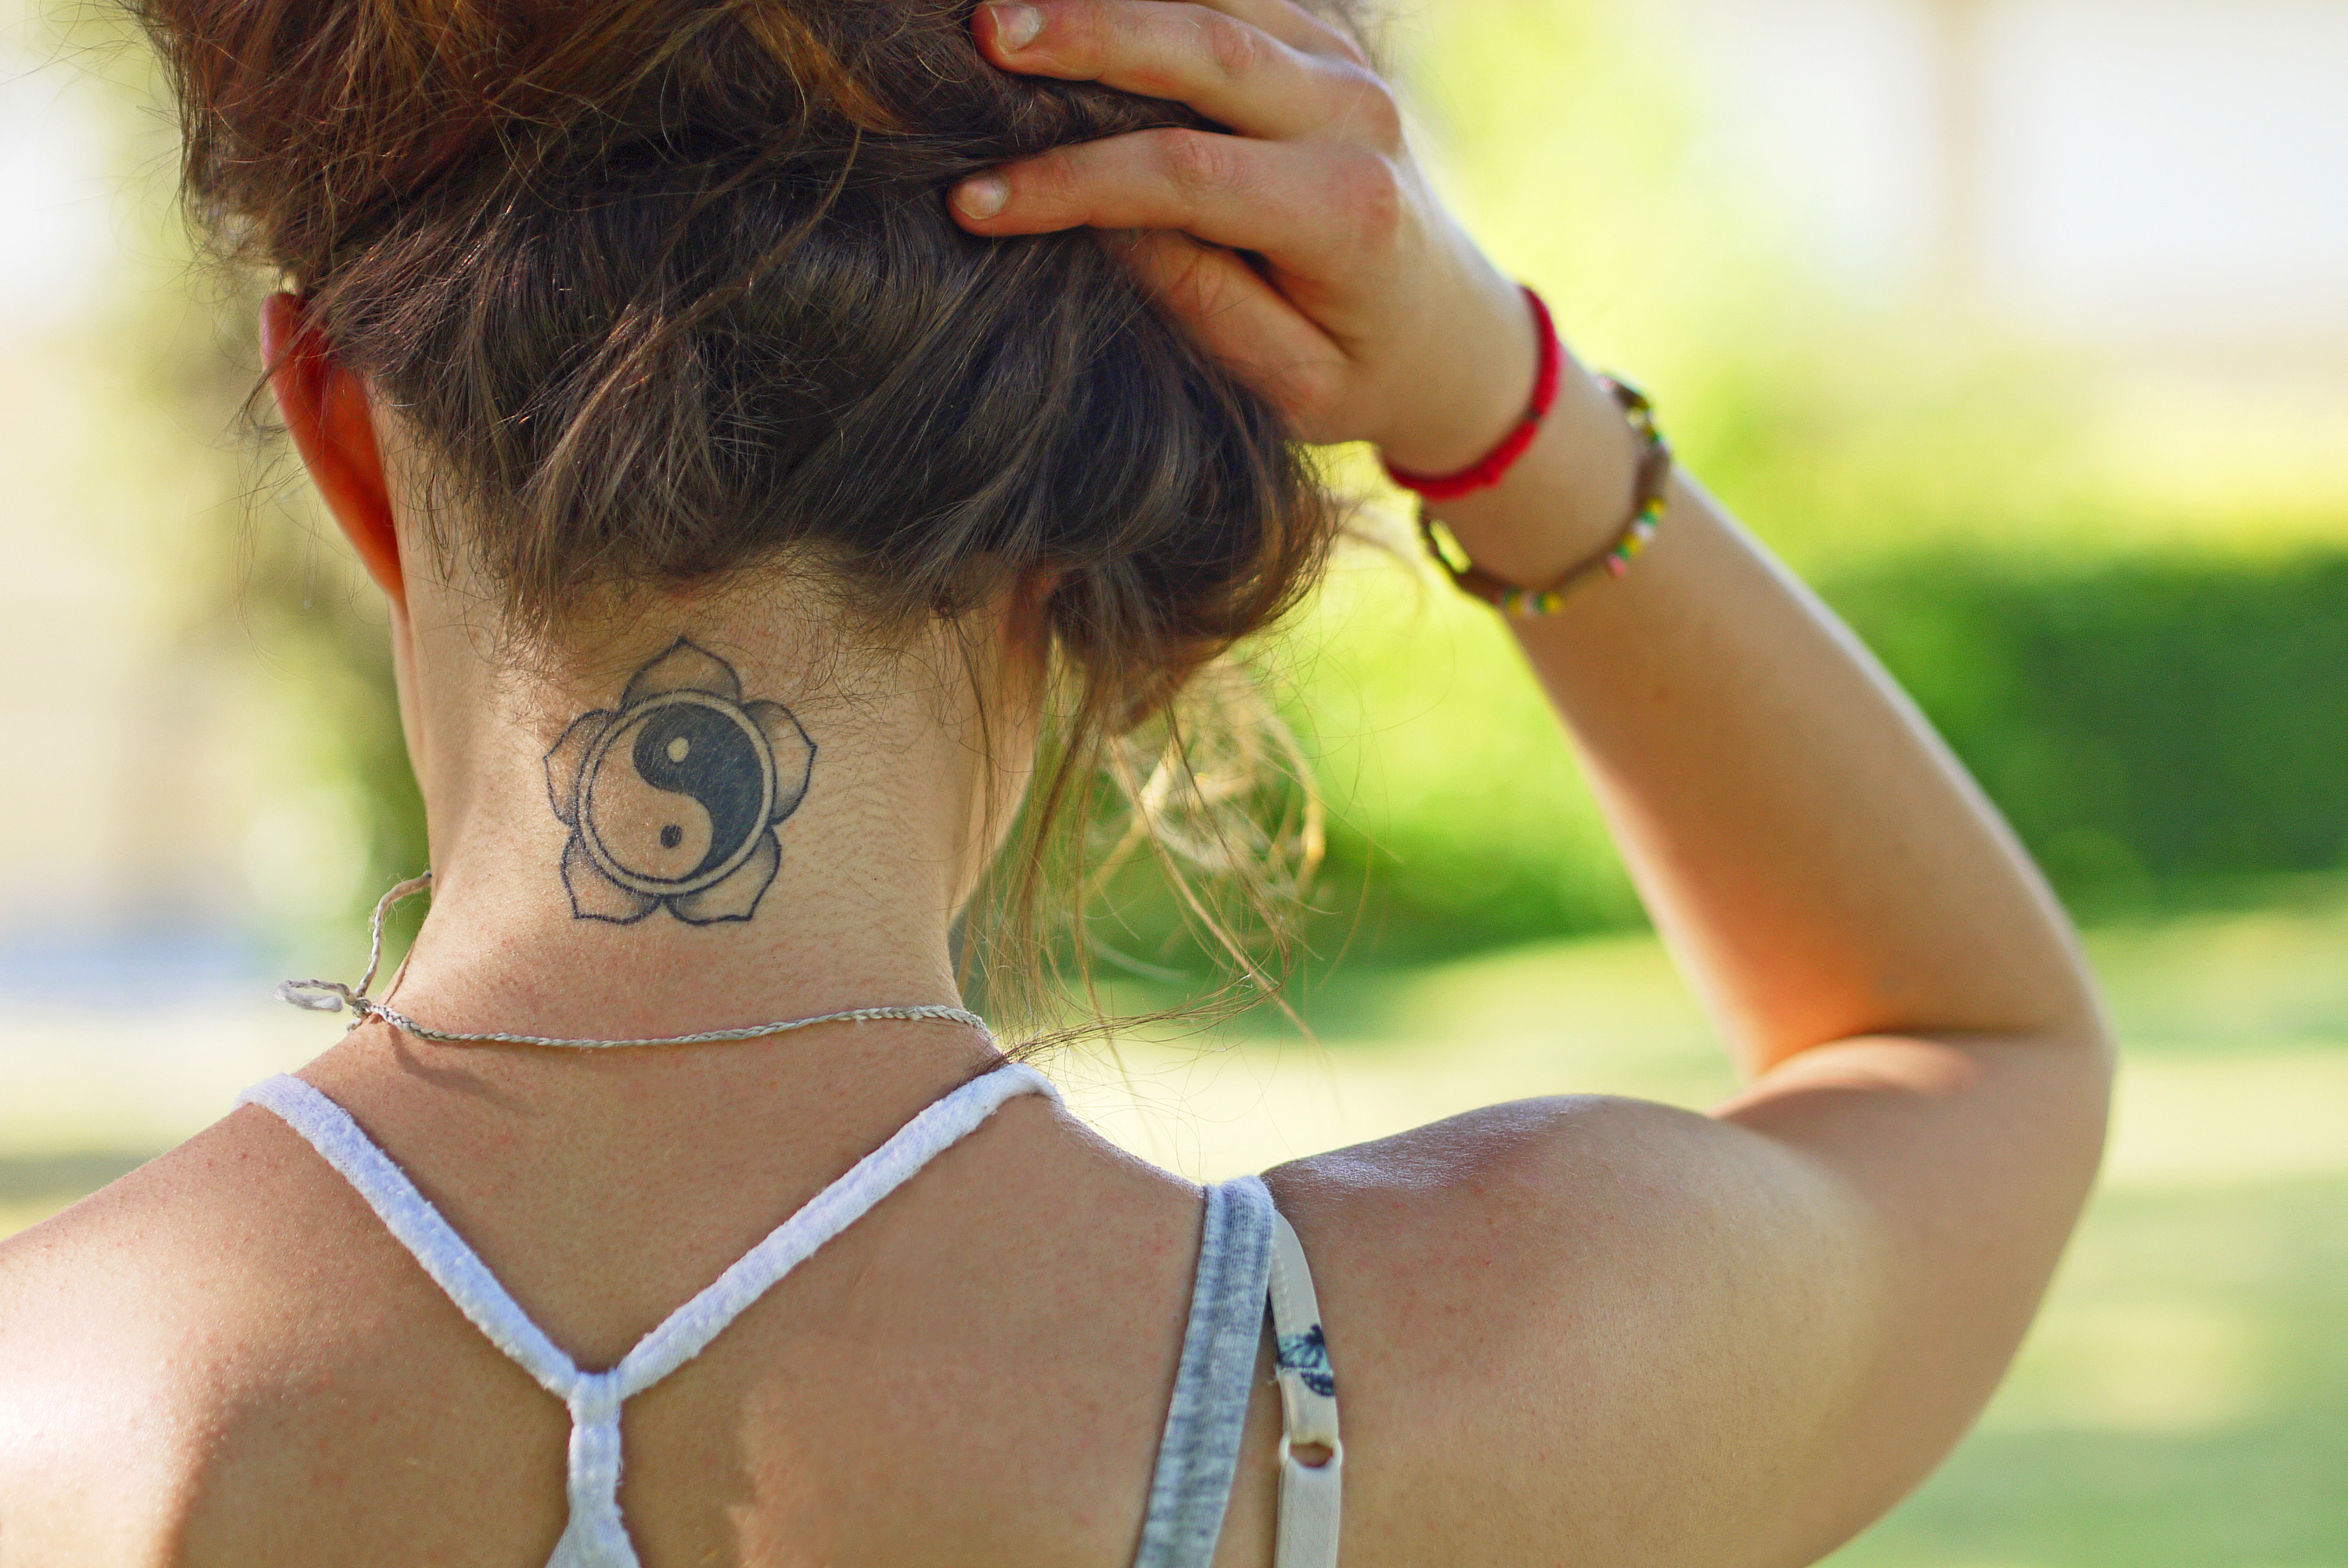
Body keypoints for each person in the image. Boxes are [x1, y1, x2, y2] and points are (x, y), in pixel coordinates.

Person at [0, 0, 2113, 1562]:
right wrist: (1496, 395)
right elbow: (1976, 1047)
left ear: (342, 438)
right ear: (1098, 492)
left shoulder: (52, 1416)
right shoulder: (1457, 1381)